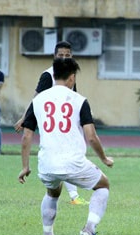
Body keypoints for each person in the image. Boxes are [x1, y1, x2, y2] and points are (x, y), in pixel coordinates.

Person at [18, 58, 113, 235]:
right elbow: (91, 136)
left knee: (53, 191)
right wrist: (104, 158)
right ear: (72, 78)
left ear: (53, 76)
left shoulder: (37, 100)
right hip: (74, 163)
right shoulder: (79, 100)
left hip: (47, 163)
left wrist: (25, 167)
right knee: (103, 185)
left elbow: (26, 136)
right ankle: (89, 228)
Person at [15, 41, 86, 205]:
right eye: (60, 55)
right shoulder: (48, 75)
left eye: (67, 55)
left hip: (64, 122)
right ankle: (72, 195)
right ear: (54, 57)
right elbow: (36, 98)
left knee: (66, 155)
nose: (64, 58)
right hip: (50, 122)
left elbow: (72, 97)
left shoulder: (71, 76)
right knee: (64, 154)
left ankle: (72, 195)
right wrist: (25, 117)